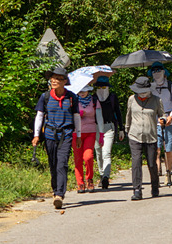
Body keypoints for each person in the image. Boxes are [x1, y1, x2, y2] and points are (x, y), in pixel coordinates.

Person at [32, 66, 82, 209]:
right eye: (53, 78)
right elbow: (39, 116)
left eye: (58, 79)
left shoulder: (72, 97)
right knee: (53, 164)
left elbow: (76, 117)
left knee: (62, 163)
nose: (54, 81)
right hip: (49, 134)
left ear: (64, 81)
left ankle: (60, 194)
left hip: (66, 134)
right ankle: (55, 191)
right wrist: (36, 135)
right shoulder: (45, 97)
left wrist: (78, 135)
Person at [125, 75, 165, 200]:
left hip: (151, 136)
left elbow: (162, 114)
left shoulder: (156, 100)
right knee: (136, 162)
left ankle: (155, 186)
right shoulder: (131, 99)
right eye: (139, 92)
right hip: (134, 135)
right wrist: (126, 130)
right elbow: (128, 116)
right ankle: (137, 190)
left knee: (152, 163)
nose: (142, 94)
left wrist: (163, 120)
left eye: (144, 92)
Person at [148, 62, 172, 187]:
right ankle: (156, 175)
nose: (156, 72)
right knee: (156, 149)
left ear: (164, 71)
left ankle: (168, 172)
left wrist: (170, 116)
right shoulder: (150, 87)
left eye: (159, 70)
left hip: (169, 120)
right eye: (154, 70)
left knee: (168, 149)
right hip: (155, 121)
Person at [93, 75, 125, 190]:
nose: (101, 89)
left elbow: (118, 112)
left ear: (108, 87)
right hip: (96, 128)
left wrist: (121, 129)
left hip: (109, 127)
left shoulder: (112, 97)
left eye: (104, 87)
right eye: (99, 87)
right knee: (98, 152)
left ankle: (106, 176)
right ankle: (101, 174)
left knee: (106, 152)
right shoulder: (93, 98)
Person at [74, 85, 101, 193]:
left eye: (84, 90)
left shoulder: (94, 101)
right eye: (80, 90)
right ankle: (80, 183)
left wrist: (102, 133)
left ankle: (89, 179)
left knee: (88, 157)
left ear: (88, 90)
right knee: (78, 158)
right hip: (75, 133)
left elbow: (99, 116)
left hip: (90, 132)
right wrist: (77, 115)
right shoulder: (73, 100)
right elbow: (67, 114)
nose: (82, 92)